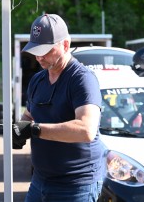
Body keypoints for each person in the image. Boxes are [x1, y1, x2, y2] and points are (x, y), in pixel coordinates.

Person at [12, 14, 105, 202]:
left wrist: (36, 130)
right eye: (35, 50)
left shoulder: (82, 79)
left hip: (76, 184)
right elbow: (29, 115)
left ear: (65, 45)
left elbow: (86, 130)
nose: (39, 57)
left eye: (45, 50)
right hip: (40, 180)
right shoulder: (38, 80)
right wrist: (19, 129)